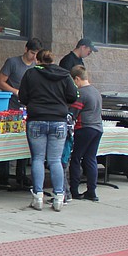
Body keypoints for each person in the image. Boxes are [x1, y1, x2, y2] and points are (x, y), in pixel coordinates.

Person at [18, 49, 78, 212]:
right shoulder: (65, 75)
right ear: (53, 60)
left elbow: (22, 97)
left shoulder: (31, 74)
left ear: (37, 61)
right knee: (55, 160)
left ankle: (38, 197)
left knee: (37, 158)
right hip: (58, 121)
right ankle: (59, 197)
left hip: (36, 119)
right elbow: (74, 96)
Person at [0, 37, 40, 189]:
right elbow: (0, 82)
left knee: (24, 139)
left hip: (27, 108)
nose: (34, 57)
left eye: (37, 54)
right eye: (32, 53)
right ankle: (4, 175)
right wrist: (15, 92)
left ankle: (21, 174)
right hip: (10, 106)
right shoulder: (12, 62)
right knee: (7, 140)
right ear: (26, 49)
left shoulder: (36, 67)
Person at [67, 65, 103, 201]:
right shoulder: (96, 92)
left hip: (84, 128)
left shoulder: (81, 93)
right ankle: (92, 191)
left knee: (76, 158)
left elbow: (72, 113)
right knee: (91, 158)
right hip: (98, 128)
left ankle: (74, 190)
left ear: (77, 79)